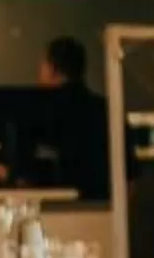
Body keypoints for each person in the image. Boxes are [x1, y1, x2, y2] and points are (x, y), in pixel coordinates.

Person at [34, 37, 111, 204]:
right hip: (102, 213)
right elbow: (130, 175)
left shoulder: (41, 111)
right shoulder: (106, 109)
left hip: (52, 212)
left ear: (53, 69)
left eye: (43, 65)